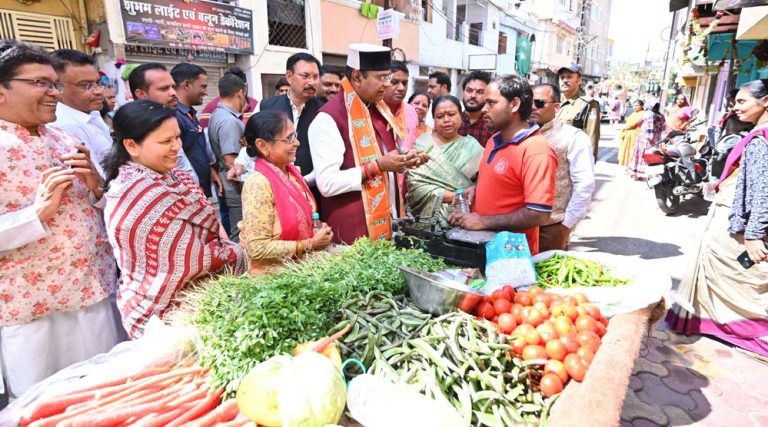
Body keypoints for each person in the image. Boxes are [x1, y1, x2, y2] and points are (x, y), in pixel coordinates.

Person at [0, 40, 121, 398]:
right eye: (39, 83)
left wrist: (97, 186)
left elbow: (102, 202)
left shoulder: (64, 138)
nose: (53, 92)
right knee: (44, 404)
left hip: (93, 292)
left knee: (103, 395)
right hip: (32, 310)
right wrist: (35, 215)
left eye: (54, 83)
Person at [103, 100, 247, 338]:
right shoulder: (135, 193)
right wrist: (237, 252)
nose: (177, 147)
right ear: (131, 145)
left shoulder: (177, 177)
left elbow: (210, 225)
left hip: (205, 302)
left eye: (178, 138)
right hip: (160, 314)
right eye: (165, 141)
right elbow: (184, 261)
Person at [666, 79, 768, 357]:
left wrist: (754, 233)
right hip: (739, 210)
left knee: (735, 275)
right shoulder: (757, 134)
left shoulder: (761, 140)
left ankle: (745, 329)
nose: (736, 108)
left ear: (766, 101)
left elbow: (762, 191)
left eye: (743, 101)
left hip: (738, 216)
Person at [308, 43, 428, 244]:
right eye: (381, 78)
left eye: (388, 77)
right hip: (352, 238)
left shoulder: (377, 110)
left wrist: (405, 159)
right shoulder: (328, 119)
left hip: (386, 226)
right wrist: (378, 166)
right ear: (356, 76)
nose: (387, 85)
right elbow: (327, 183)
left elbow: (384, 159)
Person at [449, 75, 557, 255]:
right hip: (483, 248)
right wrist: (477, 189)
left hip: (511, 255)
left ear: (514, 104)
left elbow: (538, 214)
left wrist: (483, 221)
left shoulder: (536, 150)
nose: (484, 109)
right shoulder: (493, 140)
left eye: (491, 103)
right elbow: (506, 183)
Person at [241, 111, 333, 274]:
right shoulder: (258, 184)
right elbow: (257, 248)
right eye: (289, 138)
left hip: (304, 268)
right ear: (263, 145)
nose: (297, 143)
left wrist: (317, 231)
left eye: (295, 135)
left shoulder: (292, 172)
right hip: (277, 281)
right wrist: (309, 243)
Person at [529, 84, 595, 252]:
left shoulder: (573, 137)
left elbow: (584, 184)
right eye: (528, 102)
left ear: (557, 106)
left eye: (539, 103)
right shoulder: (518, 134)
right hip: (516, 226)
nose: (532, 107)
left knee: (547, 277)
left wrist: (565, 226)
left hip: (551, 227)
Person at [406, 96, 483, 227]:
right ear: (434, 120)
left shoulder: (472, 147)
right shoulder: (422, 145)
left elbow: (484, 181)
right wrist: (457, 196)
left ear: (461, 116)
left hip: (463, 220)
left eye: (452, 114)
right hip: (426, 224)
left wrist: (474, 188)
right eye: (440, 116)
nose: (446, 120)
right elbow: (415, 186)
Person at [260, 52, 324, 202]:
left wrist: (301, 182)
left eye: (316, 77)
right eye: (305, 76)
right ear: (289, 76)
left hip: (312, 193)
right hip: (274, 192)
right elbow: (252, 147)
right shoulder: (266, 107)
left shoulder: (324, 112)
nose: (312, 82)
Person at [127, 63, 198, 182]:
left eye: (173, 87)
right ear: (141, 94)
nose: (173, 93)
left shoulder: (170, 120)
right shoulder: (134, 130)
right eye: (164, 88)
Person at [49, 49, 112, 179]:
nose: (98, 91)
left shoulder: (91, 113)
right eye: (86, 85)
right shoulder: (66, 126)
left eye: (98, 83)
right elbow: (96, 179)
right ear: (58, 88)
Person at [209, 74, 248, 242]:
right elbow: (231, 161)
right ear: (241, 93)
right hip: (235, 185)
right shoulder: (229, 122)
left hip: (228, 183)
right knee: (239, 230)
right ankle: (240, 266)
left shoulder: (217, 115)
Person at [170, 63, 219, 198]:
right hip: (187, 193)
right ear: (186, 85)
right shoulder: (175, 117)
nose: (206, 92)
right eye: (203, 86)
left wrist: (209, 170)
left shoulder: (189, 114)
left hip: (199, 191)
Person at [557, 64, 601, 160]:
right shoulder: (554, 101)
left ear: (579, 80)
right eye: (562, 77)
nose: (564, 80)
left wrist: (588, 165)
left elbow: (591, 138)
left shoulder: (588, 104)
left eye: (569, 77)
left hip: (571, 161)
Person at [382, 60, 419, 151]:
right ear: (383, 82)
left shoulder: (411, 111)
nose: (401, 88)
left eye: (405, 83)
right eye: (394, 82)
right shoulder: (372, 109)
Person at [628, 102, 666, 180]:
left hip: (644, 139)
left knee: (640, 155)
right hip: (655, 139)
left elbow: (638, 123)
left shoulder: (647, 114)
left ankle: (637, 174)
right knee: (652, 156)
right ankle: (650, 175)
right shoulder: (661, 115)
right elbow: (664, 128)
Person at [458, 71, 494, 147]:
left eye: (480, 92)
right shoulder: (452, 122)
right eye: (469, 91)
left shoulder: (493, 126)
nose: (473, 95)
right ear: (463, 92)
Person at [618, 100, 645, 167]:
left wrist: (627, 127)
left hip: (635, 134)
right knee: (626, 149)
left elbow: (635, 124)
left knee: (632, 150)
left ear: (641, 106)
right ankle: (627, 164)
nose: (635, 107)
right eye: (634, 105)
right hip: (628, 133)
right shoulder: (634, 113)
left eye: (637, 105)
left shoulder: (642, 113)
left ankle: (632, 165)